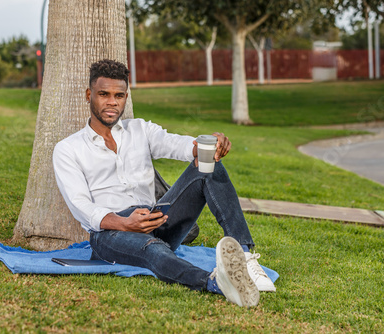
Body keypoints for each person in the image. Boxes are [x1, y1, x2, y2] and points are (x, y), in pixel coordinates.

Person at [52, 59, 275, 307]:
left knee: (208, 166)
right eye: (104, 94)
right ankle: (215, 283)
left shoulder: (140, 130)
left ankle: (245, 257)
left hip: (156, 218)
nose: (112, 102)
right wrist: (125, 223)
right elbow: (79, 205)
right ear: (89, 95)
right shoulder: (68, 149)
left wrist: (207, 146)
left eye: (119, 95)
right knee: (154, 250)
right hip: (111, 233)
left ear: (126, 97)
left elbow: (176, 144)